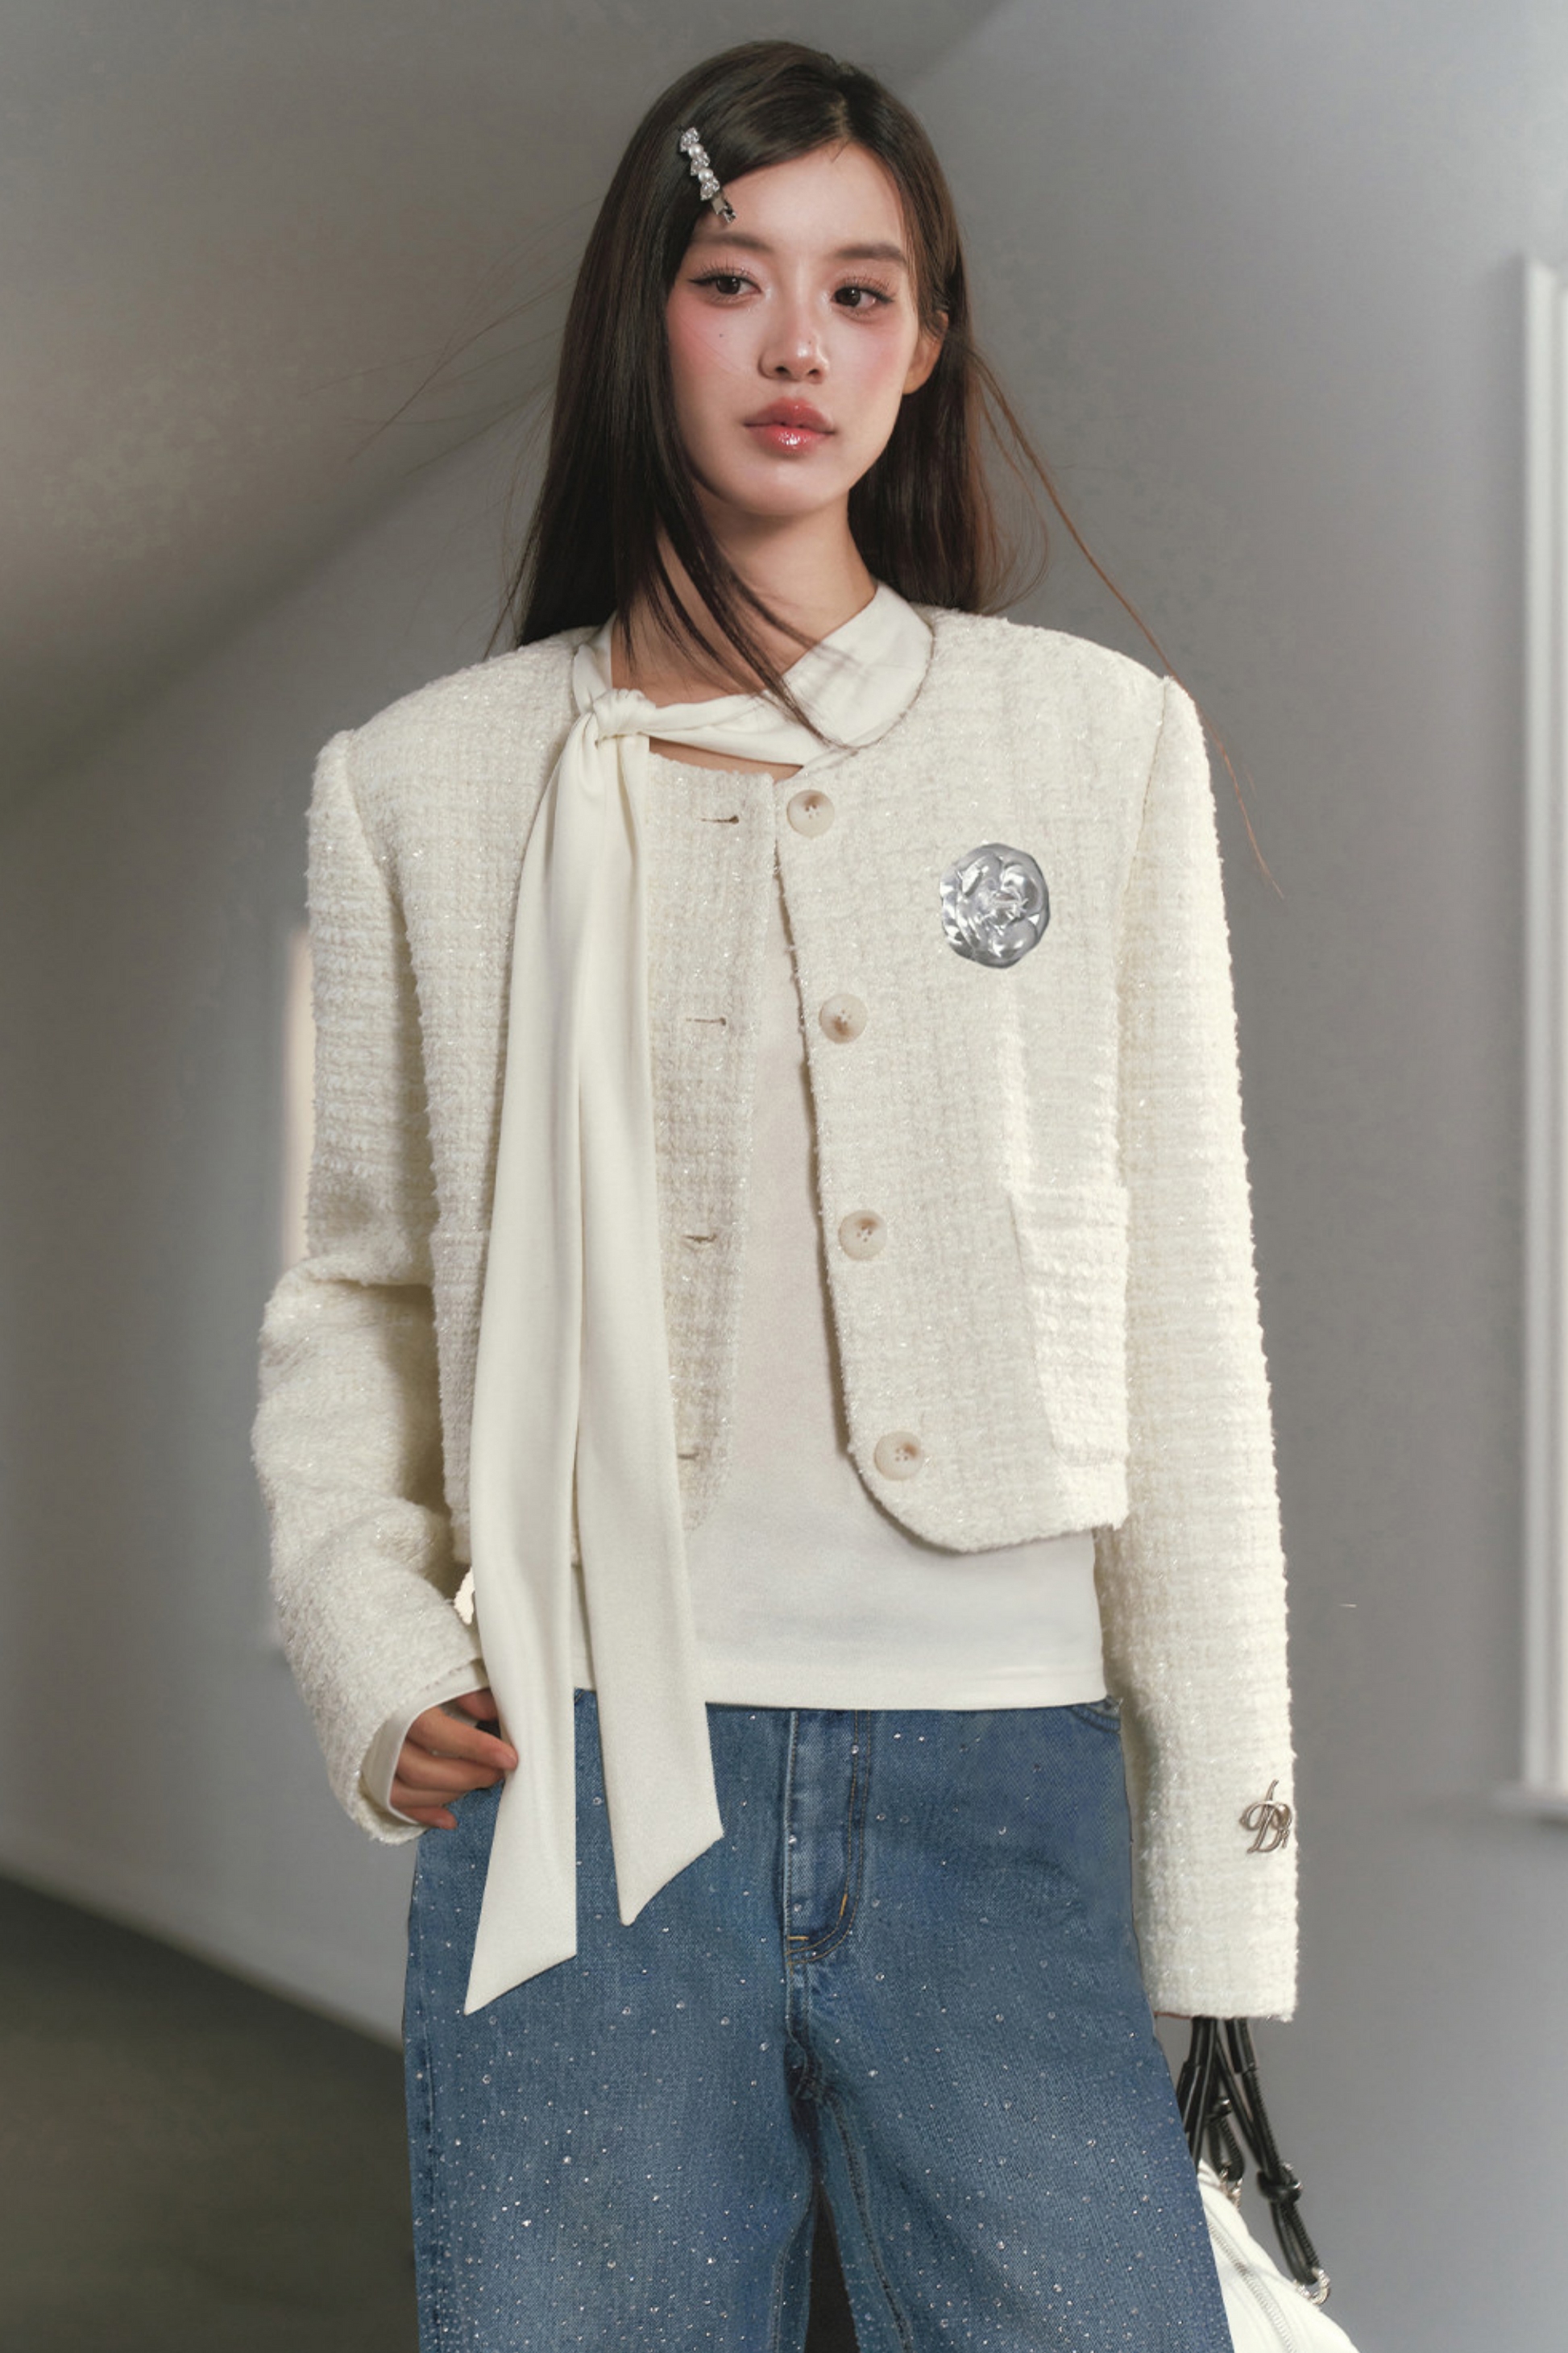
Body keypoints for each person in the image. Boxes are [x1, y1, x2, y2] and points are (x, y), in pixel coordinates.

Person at [253, 37, 1295, 2351]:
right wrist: (369, 1646)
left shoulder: (1093, 745)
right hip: (577, 1787)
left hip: (1004, 1790)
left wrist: (1226, 1893)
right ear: (643, 325)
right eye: (732, 279)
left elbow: (1186, 1317)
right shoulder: (424, 788)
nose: (796, 344)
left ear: (924, 350)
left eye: (859, 290)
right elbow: (361, 1297)